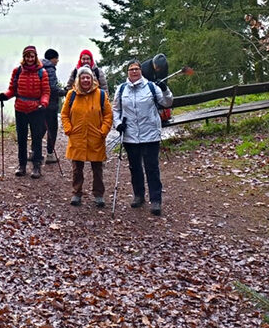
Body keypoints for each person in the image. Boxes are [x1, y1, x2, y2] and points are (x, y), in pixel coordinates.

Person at [113, 59, 173, 216]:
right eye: (131, 69)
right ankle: (138, 195)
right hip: (130, 135)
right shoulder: (121, 89)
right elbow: (116, 110)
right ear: (127, 72)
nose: (134, 71)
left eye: (136, 69)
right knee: (135, 168)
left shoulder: (151, 87)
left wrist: (165, 89)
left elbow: (167, 102)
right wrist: (118, 124)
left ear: (141, 71)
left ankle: (156, 200)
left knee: (152, 168)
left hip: (150, 134)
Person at [61, 65, 112, 206]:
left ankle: (99, 195)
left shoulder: (101, 95)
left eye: (88, 77)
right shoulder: (71, 94)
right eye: (83, 77)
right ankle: (76, 193)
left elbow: (108, 115)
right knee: (77, 169)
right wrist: (68, 129)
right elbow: (64, 114)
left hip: (96, 137)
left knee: (97, 169)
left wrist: (103, 131)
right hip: (77, 137)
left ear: (92, 79)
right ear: (78, 79)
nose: (85, 80)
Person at [0, 45, 50, 178]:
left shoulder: (42, 72)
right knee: (21, 139)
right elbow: (12, 89)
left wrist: (43, 103)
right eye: (27, 56)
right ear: (24, 57)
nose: (30, 59)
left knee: (37, 139)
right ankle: (22, 166)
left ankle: (37, 167)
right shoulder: (17, 71)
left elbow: (46, 92)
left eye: (32, 56)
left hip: (36, 109)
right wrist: (5, 96)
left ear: (35, 57)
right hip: (20, 109)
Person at [40, 48, 64, 164]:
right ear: (53, 58)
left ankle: (33, 151)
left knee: (40, 128)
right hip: (50, 104)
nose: (57, 61)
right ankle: (50, 154)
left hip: (39, 104)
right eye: (57, 59)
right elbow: (52, 88)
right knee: (52, 129)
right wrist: (64, 92)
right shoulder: (50, 69)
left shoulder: (39, 67)